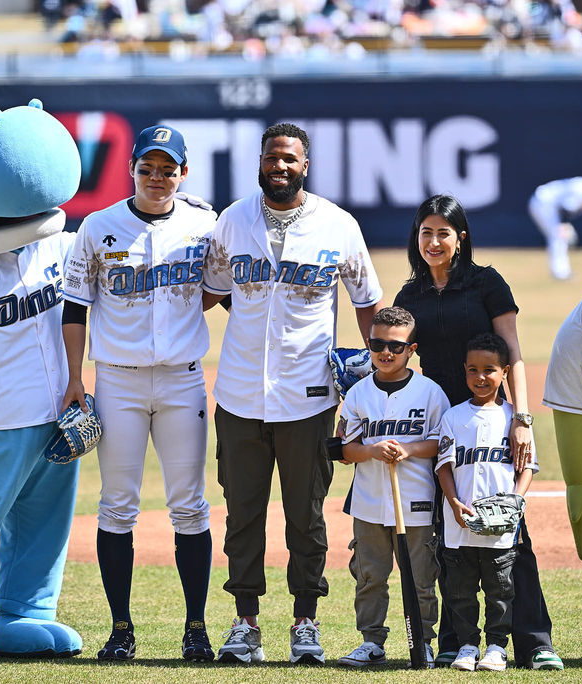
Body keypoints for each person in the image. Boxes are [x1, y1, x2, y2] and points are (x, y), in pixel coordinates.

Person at [202, 122, 384, 665]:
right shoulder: (231, 221)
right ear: (260, 161)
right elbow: (211, 291)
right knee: (242, 514)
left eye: (290, 159)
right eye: (272, 157)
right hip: (238, 393)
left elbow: (368, 301)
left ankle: (306, 621)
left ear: (305, 165)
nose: (280, 166)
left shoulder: (338, 224)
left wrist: (371, 373)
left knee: (307, 514)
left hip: (309, 396)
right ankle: (245, 623)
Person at [61, 124, 218, 662]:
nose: (157, 177)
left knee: (190, 506)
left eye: (167, 169)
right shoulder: (98, 227)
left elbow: (220, 290)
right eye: (147, 168)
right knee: (117, 504)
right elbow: (75, 305)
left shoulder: (204, 225)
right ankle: (121, 628)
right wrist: (73, 378)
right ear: (131, 169)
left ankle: (196, 627)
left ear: (183, 173)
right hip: (118, 381)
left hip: (183, 379)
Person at [393, 194, 562, 670]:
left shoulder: (486, 283)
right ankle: (456, 641)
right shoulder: (411, 296)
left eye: (443, 232)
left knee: (509, 526)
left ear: (460, 237)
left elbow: (513, 351)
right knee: (448, 533)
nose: (433, 241)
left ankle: (533, 640)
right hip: (437, 422)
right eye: (425, 232)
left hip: (490, 417)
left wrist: (521, 419)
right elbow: (396, 355)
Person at [335, 306, 450, 667]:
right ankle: (372, 642)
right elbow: (344, 450)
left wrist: (409, 449)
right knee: (370, 575)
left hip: (415, 500)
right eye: (377, 344)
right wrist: (370, 450)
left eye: (396, 347)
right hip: (369, 502)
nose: (386, 352)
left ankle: (424, 641)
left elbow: (443, 443)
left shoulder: (430, 393)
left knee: (420, 577)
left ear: (411, 349)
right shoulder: (357, 395)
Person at [436, 333, 546, 671]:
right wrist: (454, 503)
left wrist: (516, 501)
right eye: (472, 370)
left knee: (501, 591)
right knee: (460, 592)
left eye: (489, 370)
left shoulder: (515, 421)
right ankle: (468, 646)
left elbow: (526, 468)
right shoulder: (453, 417)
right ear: (464, 372)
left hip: (501, 528)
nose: (480, 378)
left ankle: (497, 648)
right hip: (460, 525)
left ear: (505, 372)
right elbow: (444, 466)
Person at [528, 177, 582, 280]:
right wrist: (563, 226)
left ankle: (561, 272)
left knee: (558, 237)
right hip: (543, 203)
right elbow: (565, 208)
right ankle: (560, 273)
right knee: (558, 237)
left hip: (545, 203)